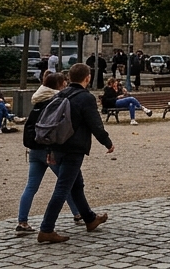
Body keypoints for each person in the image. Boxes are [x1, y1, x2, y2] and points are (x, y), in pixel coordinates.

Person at [37, 63, 112, 244]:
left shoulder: (61, 94)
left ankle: (90, 219)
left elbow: (50, 122)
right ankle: (46, 229)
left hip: (58, 145)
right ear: (88, 78)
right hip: (73, 148)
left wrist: (49, 149)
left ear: (69, 78)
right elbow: (95, 124)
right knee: (62, 188)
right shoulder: (85, 97)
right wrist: (107, 142)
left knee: (76, 185)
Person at [16, 72, 81, 235]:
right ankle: (78, 214)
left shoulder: (38, 99)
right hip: (49, 149)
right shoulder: (56, 100)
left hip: (34, 149)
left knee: (31, 186)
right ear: (59, 85)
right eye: (64, 83)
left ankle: (22, 221)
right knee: (65, 183)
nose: (66, 85)